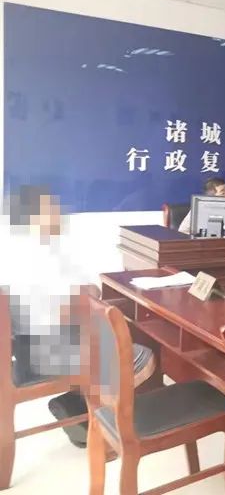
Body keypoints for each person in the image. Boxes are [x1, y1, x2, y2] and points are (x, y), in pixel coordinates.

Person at [1, 185, 155, 447]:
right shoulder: (36, 256)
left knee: (111, 335)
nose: (59, 214)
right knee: (139, 355)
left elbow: (85, 291)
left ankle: (78, 408)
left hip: (33, 347)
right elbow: (70, 307)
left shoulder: (40, 248)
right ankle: (103, 426)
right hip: (44, 354)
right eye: (51, 210)